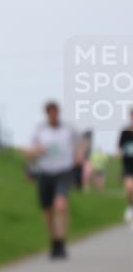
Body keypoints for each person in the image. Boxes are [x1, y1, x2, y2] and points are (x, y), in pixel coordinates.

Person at [25, 101, 83, 260]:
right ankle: (54, 241)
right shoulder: (40, 130)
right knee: (48, 211)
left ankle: (61, 242)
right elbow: (28, 151)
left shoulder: (68, 129)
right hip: (45, 172)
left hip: (64, 171)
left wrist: (79, 155)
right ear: (46, 113)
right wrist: (36, 151)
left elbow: (82, 143)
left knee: (60, 205)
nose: (53, 114)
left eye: (55, 111)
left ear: (58, 112)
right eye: (50, 112)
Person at [119, 109, 133, 224]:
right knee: (129, 187)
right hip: (128, 163)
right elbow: (119, 146)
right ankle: (130, 206)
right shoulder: (125, 132)